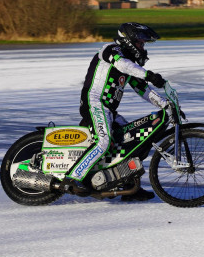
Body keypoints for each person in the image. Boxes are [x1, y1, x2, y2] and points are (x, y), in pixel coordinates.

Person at [62, 22, 168, 201]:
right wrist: (148, 74)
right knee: (103, 141)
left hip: (108, 110)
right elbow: (122, 65)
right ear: (129, 41)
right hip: (95, 103)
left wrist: (165, 105)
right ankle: (73, 177)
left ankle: (130, 188)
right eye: (140, 43)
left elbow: (143, 90)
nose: (143, 48)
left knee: (131, 142)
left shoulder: (130, 65)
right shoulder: (111, 50)